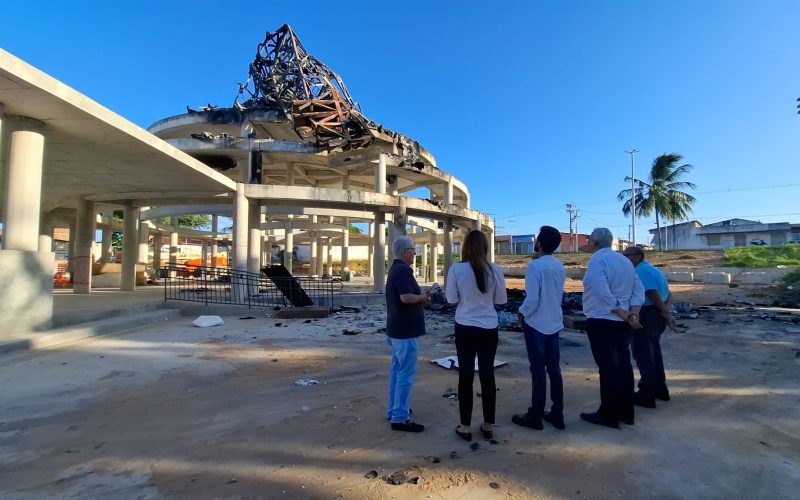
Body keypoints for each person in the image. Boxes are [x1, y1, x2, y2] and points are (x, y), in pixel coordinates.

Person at [445, 230, 507, 441]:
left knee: (466, 376)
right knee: (488, 375)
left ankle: (465, 426)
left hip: (465, 326)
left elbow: (451, 300)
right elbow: (501, 301)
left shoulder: (456, 269)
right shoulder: (495, 270)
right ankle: (488, 424)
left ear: (465, 247)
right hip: (489, 327)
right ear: (486, 247)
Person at [580, 228, 645, 429]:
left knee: (608, 368)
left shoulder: (597, 261)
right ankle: (627, 412)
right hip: (621, 322)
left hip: (602, 320)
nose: (588, 242)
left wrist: (621, 312)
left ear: (595, 242)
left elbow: (601, 291)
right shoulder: (624, 261)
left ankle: (609, 414)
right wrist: (633, 313)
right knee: (624, 366)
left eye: (589, 239)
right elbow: (638, 289)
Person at [512, 226, 566, 431]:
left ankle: (535, 415)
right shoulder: (559, 266)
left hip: (536, 325)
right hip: (554, 323)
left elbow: (533, 299)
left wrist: (522, 313)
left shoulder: (535, 267)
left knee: (538, 370)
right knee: (554, 370)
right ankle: (557, 413)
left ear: (540, 243)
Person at [622, 246, 677, 408]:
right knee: (654, 353)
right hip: (656, 315)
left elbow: (652, 293)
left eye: (627, 255)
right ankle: (660, 389)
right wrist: (666, 311)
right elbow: (668, 293)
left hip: (647, 314)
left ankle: (647, 394)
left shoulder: (641, 272)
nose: (624, 259)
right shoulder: (653, 269)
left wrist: (665, 312)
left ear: (638, 257)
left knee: (644, 355)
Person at [386, 235, 430, 432]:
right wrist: (423, 297)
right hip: (405, 332)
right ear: (404, 252)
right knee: (405, 374)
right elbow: (405, 297)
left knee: (397, 371)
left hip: (396, 330)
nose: (415, 253)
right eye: (413, 250)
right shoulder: (403, 271)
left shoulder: (395, 269)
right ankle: (400, 418)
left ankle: (394, 410)